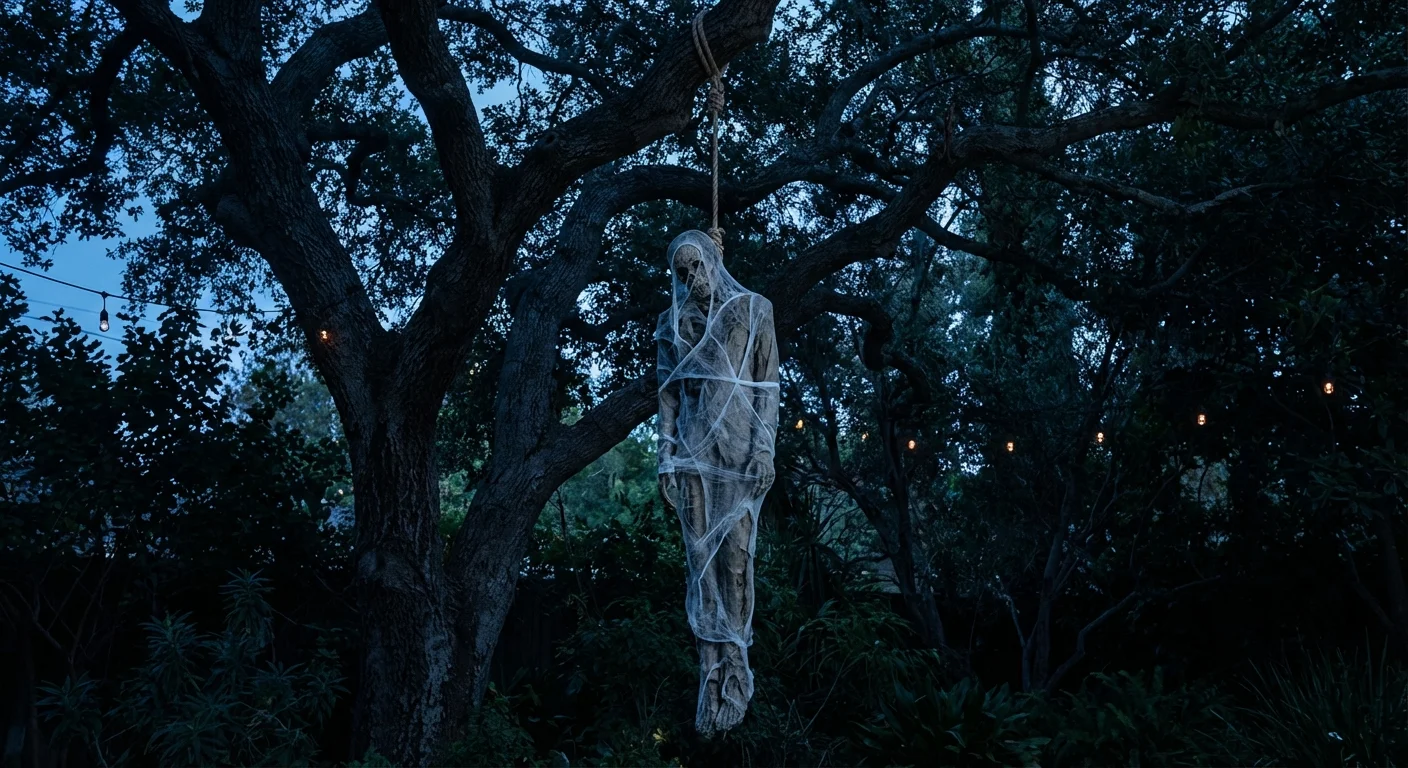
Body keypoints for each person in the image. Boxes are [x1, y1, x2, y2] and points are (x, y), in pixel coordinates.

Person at [656, 229, 779, 735]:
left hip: (738, 451)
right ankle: (710, 679)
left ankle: (738, 668)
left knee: (734, 561)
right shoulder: (672, 322)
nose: (692, 278)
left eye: (697, 266)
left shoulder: (754, 310)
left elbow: (767, 380)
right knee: (700, 568)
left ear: (713, 258)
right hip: (692, 457)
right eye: (681, 272)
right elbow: (667, 394)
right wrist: (664, 456)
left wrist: (765, 446)